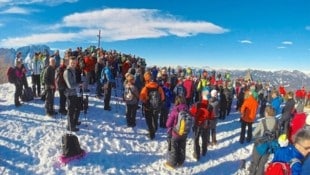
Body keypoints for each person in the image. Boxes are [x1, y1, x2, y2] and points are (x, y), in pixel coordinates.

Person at [248, 106, 278, 175]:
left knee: (255, 162)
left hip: (259, 145)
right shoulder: (277, 122)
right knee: (262, 164)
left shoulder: (263, 121)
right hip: (269, 147)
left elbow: (254, 133)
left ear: (267, 113)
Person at [164, 95, 188, 169]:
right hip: (184, 132)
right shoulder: (187, 109)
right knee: (182, 147)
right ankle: (181, 161)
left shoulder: (175, 111)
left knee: (173, 148)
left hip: (175, 133)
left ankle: (172, 163)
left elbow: (168, 124)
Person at [139, 71, 165, 140]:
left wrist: (145, 100)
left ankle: (151, 134)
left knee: (149, 121)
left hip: (148, 107)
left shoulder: (145, 88)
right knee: (155, 119)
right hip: (156, 107)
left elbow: (141, 97)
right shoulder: (158, 87)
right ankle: (154, 129)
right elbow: (162, 97)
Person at [189, 89, 214, 161]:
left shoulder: (197, 104)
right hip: (205, 125)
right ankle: (204, 151)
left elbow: (192, 113)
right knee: (204, 138)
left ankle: (197, 154)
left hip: (197, 124)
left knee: (196, 139)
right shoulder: (210, 106)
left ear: (202, 96)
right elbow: (211, 117)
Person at [63, 56, 81, 132]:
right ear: (69, 63)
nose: (73, 64)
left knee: (76, 108)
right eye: (72, 63)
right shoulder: (67, 72)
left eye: (74, 63)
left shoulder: (73, 70)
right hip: (70, 94)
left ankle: (74, 122)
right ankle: (70, 126)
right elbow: (70, 86)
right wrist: (78, 85)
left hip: (74, 93)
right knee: (71, 111)